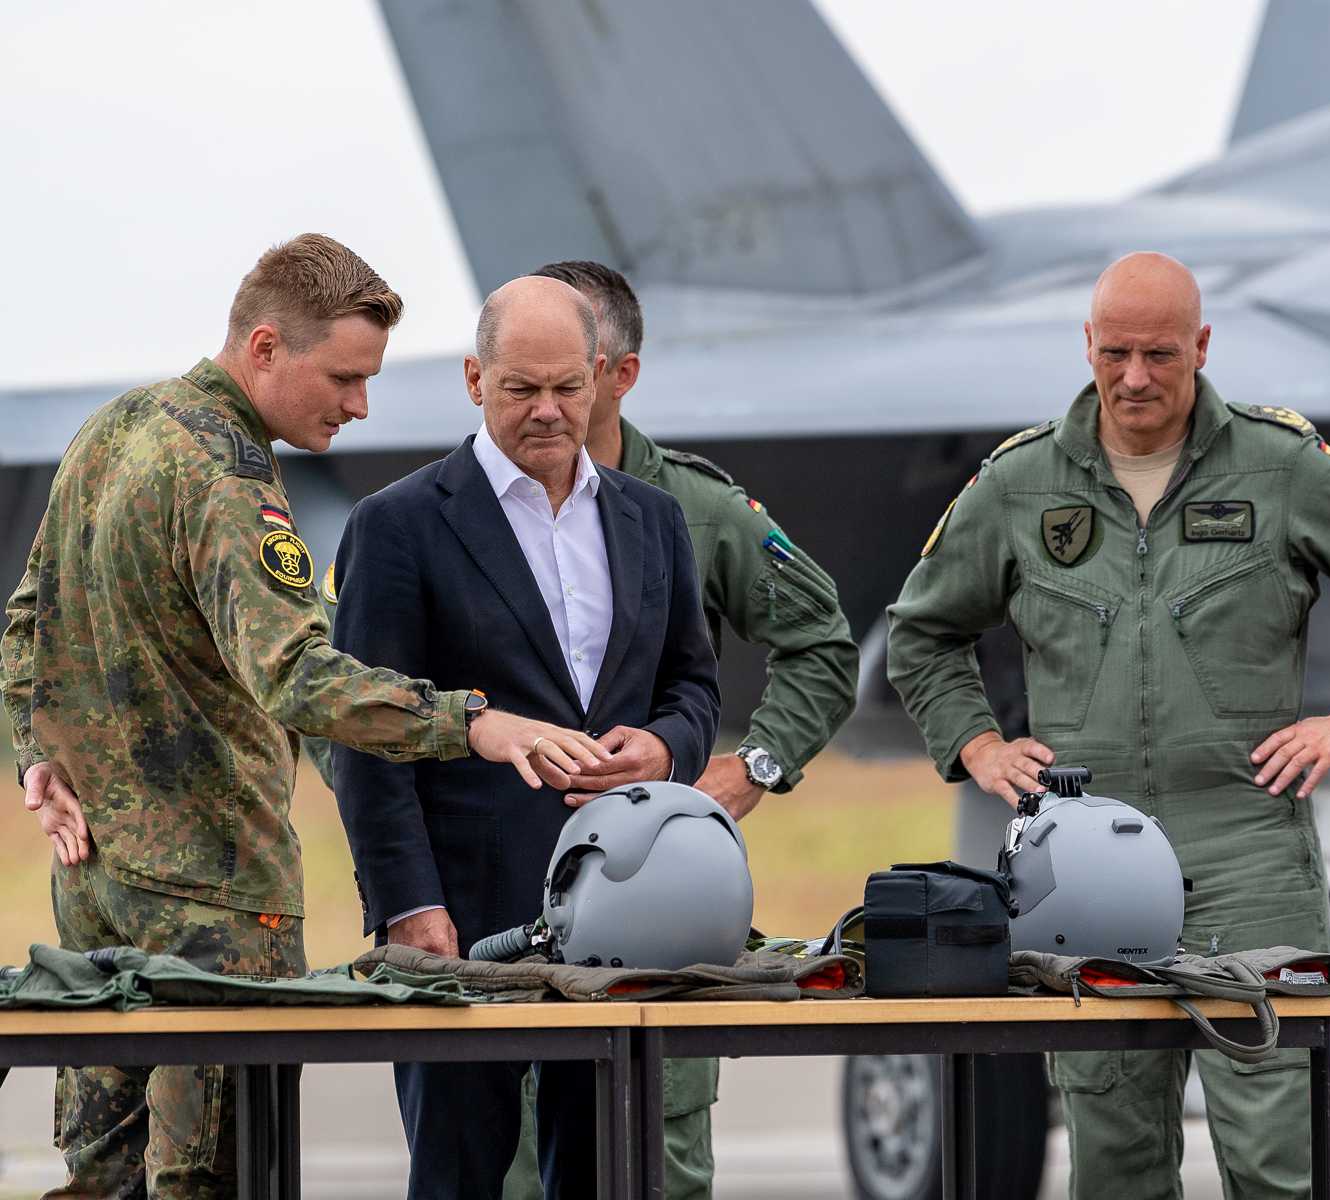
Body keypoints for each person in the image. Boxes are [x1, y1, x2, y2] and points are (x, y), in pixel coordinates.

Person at [0, 234, 604, 1199]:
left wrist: (35, 757)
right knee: (219, 1178)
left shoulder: (115, 429)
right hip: (217, 906)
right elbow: (295, 676)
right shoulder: (228, 479)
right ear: (267, 348)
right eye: (345, 377)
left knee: (96, 1177)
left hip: (95, 889)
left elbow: (27, 613)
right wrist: (475, 724)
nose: (360, 405)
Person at [886, 251, 1330, 1198]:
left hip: (1249, 854)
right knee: (1116, 1159)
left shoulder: (1279, 467)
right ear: (1087, 347)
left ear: (1202, 347)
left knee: (1280, 1161)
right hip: (1086, 868)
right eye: (1115, 353)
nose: (1135, 378)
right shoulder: (1019, 485)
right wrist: (979, 744)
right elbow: (922, 633)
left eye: (1159, 354)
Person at [329, 274, 720, 1199]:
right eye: (519, 389)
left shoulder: (652, 518)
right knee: (460, 1175)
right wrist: (407, 907)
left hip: (626, 915)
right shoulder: (396, 527)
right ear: (474, 379)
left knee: (609, 1175)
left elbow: (695, 684)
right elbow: (364, 743)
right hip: (461, 925)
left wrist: (666, 750)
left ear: (599, 380)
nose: (547, 412)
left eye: (566, 388)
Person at [506, 261, 858, 1197]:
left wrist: (751, 769)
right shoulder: (446, 513)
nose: (547, 403)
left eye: (571, 374)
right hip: (497, 904)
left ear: (617, 375)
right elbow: (355, 700)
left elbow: (822, 641)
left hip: (653, 906)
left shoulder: (694, 512)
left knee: (654, 1160)